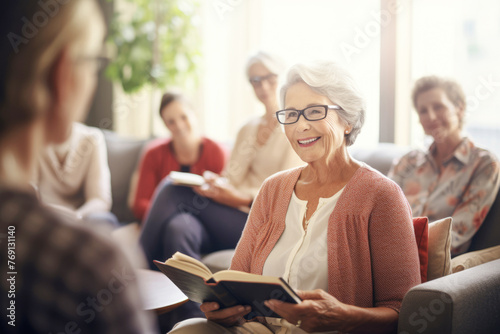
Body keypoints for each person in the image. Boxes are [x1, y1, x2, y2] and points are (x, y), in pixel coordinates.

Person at [168, 60, 421, 334]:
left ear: (347, 120)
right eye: (291, 114)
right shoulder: (272, 189)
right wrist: (223, 309)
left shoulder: (381, 195)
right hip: (254, 330)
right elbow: (236, 278)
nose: (300, 126)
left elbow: (403, 309)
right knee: (187, 328)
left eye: (314, 111)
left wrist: (343, 316)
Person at [0, 1, 157, 333]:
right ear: (63, 75)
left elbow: (99, 199)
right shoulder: (94, 265)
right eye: (92, 61)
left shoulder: (91, 141)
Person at [139, 51, 303, 330]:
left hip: (259, 219)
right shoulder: (247, 129)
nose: (262, 85)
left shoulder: (295, 127)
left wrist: (238, 196)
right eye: (255, 80)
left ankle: (133, 268)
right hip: (228, 213)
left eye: (269, 78)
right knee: (179, 226)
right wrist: (219, 186)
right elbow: (232, 177)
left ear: (282, 77)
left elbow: (286, 193)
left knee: (170, 189)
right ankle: (189, 322)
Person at [388, 76, 500, 256]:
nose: (431, 116)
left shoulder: (484, 164)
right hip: (385, 252)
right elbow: (380, 214)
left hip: (427, 260)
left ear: (459, 108)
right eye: (423, 110)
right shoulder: (407, 162)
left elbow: (455, 235)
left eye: (438, 106)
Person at [131, 92, 227, 222]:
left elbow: (224, 199)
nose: (179, 126)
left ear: (195, 114)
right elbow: (140, 204)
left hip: (204, 224)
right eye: (171, 122)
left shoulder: (216, 152)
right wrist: (169, 214)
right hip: (162, 222)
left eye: (184, 117)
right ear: (165, 125)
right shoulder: (153, 154)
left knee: (180, 228)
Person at [34, 121, 119, 230]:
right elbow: (26, 193)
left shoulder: (92, 138)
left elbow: (100, 199)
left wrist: (76, 216)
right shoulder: (31, 137)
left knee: (105, 220)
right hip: (43, 217)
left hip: (81, 218)